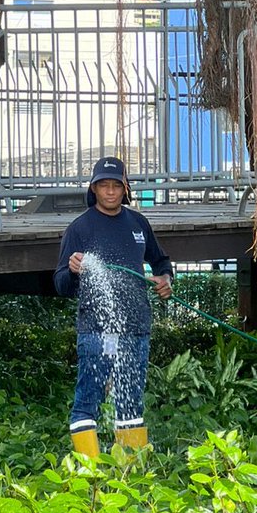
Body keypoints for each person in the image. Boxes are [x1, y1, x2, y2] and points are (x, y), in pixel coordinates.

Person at [54, 155, 172, 456]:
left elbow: (160, 260)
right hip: (96, 329)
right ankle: (88, 471)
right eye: (103, 186)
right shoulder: (79, 229)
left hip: (135, 327)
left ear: (125, 188)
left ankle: (130, 470)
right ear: (93, 190)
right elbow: (60, 285)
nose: (109, 192)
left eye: (116, 186)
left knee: (131, 399)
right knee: (88, 399)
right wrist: (72, 270)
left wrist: (165, 279)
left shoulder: (138, 223)